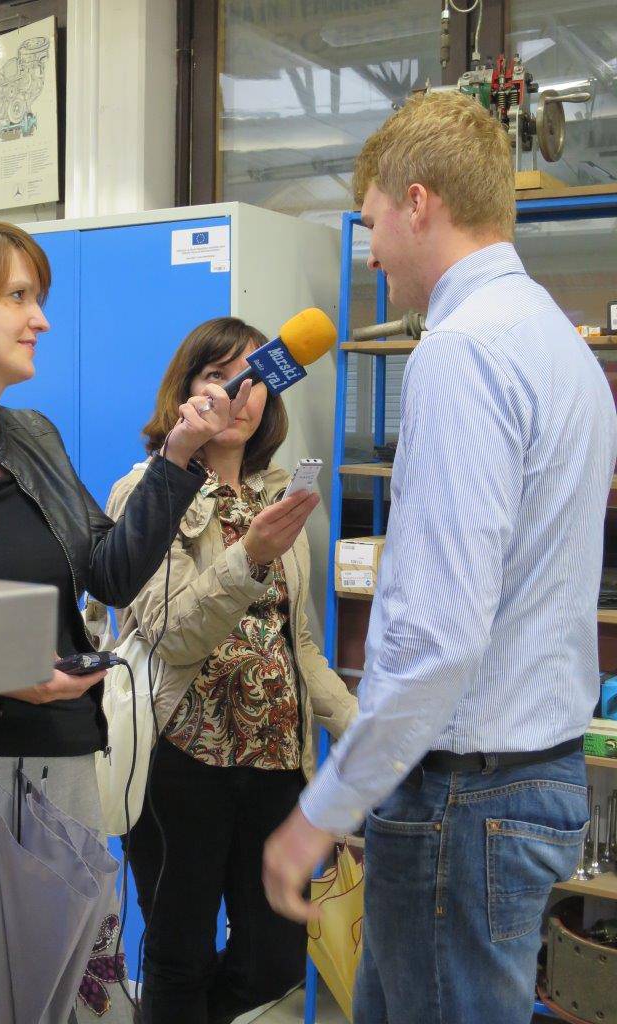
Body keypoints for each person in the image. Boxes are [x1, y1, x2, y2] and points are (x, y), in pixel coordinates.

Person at [263, 91, 617, 1024]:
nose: (372, 252)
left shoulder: (463, 353)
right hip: (529, 775)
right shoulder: (560, 348)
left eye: (374, 221)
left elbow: (439, 635)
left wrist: (324, 808)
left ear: (417, 203)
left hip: (463, 794)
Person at [0, 215, 252, 1024]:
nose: (40, 319)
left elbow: (108, 569)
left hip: (64, 779)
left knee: (77, 1002)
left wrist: (178, 457)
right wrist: (1, 678)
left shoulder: (34, 439)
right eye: (19, 296)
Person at [103, 316, 358, 1024]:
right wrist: (249, 557)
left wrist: (367, 732)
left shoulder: (278, 497)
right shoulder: (146, 493)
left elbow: (298, 644)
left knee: (275, 959)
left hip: (277, 763)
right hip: (178, 761)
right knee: (178, 958)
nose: (240, 393)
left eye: (255, 376)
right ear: (185, 392)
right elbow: (171, 635)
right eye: (218, 375)